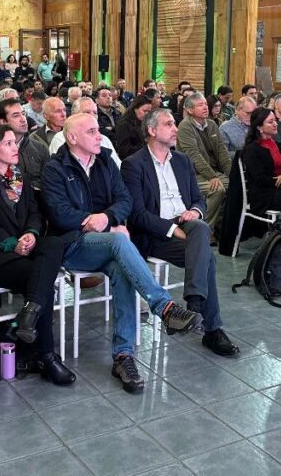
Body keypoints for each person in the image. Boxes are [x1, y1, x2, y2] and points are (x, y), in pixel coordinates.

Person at [42, 113, 203, 392]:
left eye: (98, 131)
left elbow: (124, 200)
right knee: (120, 243)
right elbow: (60, 214)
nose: (99, 136)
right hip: (71, 244)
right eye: (91, 131)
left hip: (105, 241)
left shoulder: (105, 160)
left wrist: (108, 218)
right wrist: (106, 225)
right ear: (72, 138)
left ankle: (123, 356)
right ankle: (163, 307)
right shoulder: (55, 168)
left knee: (121, 268)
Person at [0, 125, 76, 385]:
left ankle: (28, 316)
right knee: (42, 281)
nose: (16, 148)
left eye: (15, 143)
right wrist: (12, 243)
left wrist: (32, 234)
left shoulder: (19, 175)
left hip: (26, 247)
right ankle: (46, 356)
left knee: (54, 243)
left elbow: (35, 212)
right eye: (9, 144)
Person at [122, 109, 239, 357]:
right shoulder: (134, 165)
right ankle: (212, 329)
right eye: (169, 124)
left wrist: (195, 211)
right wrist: (173, 229)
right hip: (155, 233)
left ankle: (195, 303)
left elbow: (198, 199)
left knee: (199, 226)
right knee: (206, 255)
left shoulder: (182, 161)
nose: (176, 128)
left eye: (175, 123)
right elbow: (137, 215)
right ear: (152, 131)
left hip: (187, 225)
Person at [176, 93, 231, 231]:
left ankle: (221, 227)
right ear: (189, 110)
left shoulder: (212, 124)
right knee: (217, 190)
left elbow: (222, 151)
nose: (206, 107)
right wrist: (212, 176)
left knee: (235, 186)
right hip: (192, 174)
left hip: (213, 172)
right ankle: (205, 229)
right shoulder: (185, 127)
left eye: (206, 104)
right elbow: (194, 156)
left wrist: (232, 173)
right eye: (200, 105)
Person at [48, 97, 122, 166]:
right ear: (74, 115)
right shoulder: (61, 138)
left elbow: (118, 167)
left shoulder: (104, 139)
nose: (92, 116)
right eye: (87, 112)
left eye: (95, 113)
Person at [0, 98, 48, 189]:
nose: (23, 119)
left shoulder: (40, 148)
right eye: (16, 116)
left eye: (23, 114)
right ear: (3, 122)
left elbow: (49, 181)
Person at [113, 96, 153, 161]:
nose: (147, 114)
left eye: (149, 111)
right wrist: (148, 147)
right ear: (135, 109)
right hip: (132, 161)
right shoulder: (124, 124)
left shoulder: (146, 122)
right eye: (145, 111)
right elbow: (124, 151)